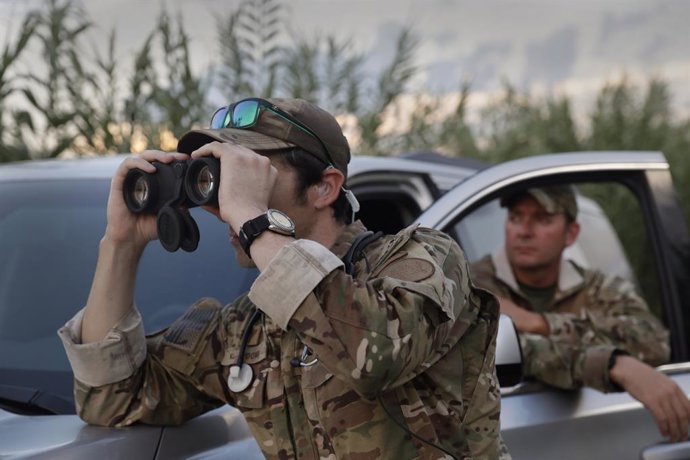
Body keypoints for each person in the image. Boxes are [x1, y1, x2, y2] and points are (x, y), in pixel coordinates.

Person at [58, 97, 509, 459]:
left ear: (323, 187)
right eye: (225, 173)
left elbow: (373, 355)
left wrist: (253, 219)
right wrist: (120, 245)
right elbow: (111, 399)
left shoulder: (424, 258)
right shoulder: (247, 329)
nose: (230, 193)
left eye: (249, 169)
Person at [470, 185, 690, 443]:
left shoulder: (597, 287)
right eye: (515, 217)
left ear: (571, 234)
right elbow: (511, 350)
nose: (524, 231)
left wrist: (540, 323)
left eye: (542, 219)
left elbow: (652, 340)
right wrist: (613, 363)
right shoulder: (473, 286)